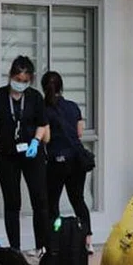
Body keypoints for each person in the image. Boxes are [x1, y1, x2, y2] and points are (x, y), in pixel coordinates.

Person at [0, 55, 50, 255]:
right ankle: (15, 249)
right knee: (12, 202)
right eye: (18, 80)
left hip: (32, 153)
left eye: (25, 81)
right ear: (11, 76)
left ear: (30, 80)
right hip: (7, 155)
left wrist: (36, 141)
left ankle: (41, 246)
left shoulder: (35, 97)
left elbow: (43, 124)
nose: (20, 84)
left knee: (39, 200)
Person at [41, 71, 94, 254]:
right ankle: (88, 240)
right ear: (61, 87)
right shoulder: (72, 106)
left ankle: (53, 241)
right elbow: (79, 133)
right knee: (78, 200)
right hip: (77, 160)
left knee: (52, 202)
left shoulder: (43, 109)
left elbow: (46, 138)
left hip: (57, 160)